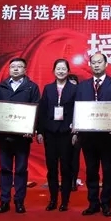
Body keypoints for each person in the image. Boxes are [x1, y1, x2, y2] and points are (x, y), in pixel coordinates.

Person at [74, 53, 111, 217]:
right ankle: (93, 203)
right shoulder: (82, 86)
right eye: (93, 62)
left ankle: (106, 203)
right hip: (88, 137)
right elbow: (77, 109)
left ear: (106, 64)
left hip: (108, 137)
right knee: (91, 170)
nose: (96, 65)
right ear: (90, 65)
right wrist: (76, 127)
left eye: (99, 62)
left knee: (108, 170)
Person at [0, 57, 40, 214]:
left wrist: (32, 128)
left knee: (21, 170)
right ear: (9, 69)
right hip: (4, 135)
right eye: (13, 66)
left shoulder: (31, 87)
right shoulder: (1, 87)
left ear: (25, 69)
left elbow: (36, 109)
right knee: (5, 169)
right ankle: (4, 201)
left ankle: (19, 201)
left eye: (19, 66)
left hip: (23, 137)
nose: (16, 69)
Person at [38, 59, 77, 212]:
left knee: (66, 168)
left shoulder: (75, 89)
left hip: (67, 132)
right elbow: (43, 111)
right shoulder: (48, 88)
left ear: (68, 71)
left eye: (63, 69)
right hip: (50, 133)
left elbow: (78, 110)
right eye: (58, 68)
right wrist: (40, 131)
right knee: (52, 168)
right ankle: (53, 199)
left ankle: (65, 201)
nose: (61, 71)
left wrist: (76, 130)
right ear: (54, 71)